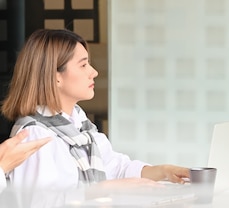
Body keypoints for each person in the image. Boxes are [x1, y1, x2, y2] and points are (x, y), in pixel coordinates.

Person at [0, 29, 190, 191]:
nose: (94, 72)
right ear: (55, 76)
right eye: (83, 65)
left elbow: (116, 168)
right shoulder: (35, 134)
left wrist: (163, 171)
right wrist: (104, 190)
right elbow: (40, 203)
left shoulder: (80, 125)